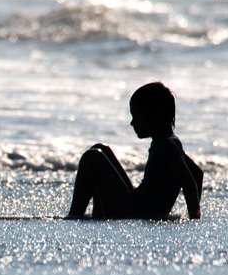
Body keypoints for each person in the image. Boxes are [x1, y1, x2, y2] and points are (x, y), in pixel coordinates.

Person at [67, 82, 202, 220]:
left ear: (156, 115)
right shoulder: (170, 142)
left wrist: (194, 217)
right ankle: (99, 214)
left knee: (93, 156)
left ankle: (74, 215)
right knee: (101, 148)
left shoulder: (166, 145)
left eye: (136, 116)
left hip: (135, 210)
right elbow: (197, 174)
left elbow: (189, 181)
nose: (132, 123)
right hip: (136, 204)